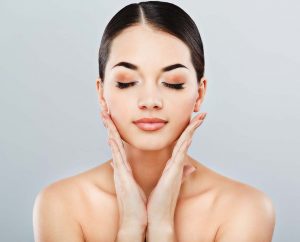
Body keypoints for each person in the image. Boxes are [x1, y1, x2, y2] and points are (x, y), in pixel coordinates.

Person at [33, 1, 276, 242]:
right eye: (126, 82)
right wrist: (129, 228)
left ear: (199, 94)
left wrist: (161, 227)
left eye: (173, 83)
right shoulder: (61, 205)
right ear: (101, 93)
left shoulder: (246, 210)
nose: (150, 101)